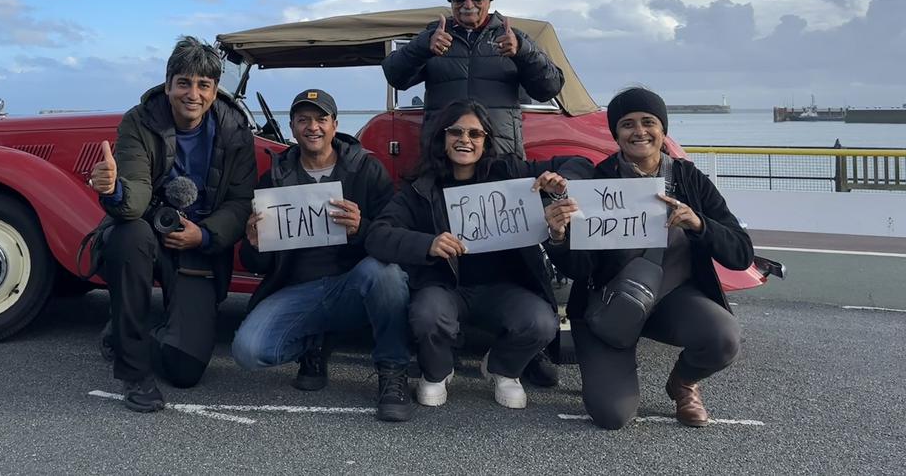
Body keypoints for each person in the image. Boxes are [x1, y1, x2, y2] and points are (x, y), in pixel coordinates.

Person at [543, 87, 754, 428]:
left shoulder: (689, 179)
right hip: (607, 304)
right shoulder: (598, 182)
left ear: (663, 130)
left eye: (648, 122)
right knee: (612, 416)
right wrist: (557, 237)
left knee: (723, 338)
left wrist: (700, 224)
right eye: (627, 124)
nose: (639, 131)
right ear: (615, 134)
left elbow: (741, 254)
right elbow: (580, 269)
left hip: (671, 299)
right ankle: (612, 367)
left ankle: (683, 383)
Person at [365, 100, 591, 409]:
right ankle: (439, 370)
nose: (465, 140)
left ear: (486, 141)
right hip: (444, 288)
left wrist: (561, 183)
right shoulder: (420, 188)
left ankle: (502, 368)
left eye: (475, 134)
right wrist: (427, 243)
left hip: (503, 288)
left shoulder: (511, 172)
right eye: (455, 131)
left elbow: (581, 163)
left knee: (541, 322)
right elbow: (378, 235)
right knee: (427, 314)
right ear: (441, 138)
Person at [90, 36, 256, 413]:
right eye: (183, 83)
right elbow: (132, 203)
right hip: (146, 230)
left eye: (203, 85)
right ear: (168, 86)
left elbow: (240, 200)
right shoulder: (139, 120)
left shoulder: (235, 131)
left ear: (215, 92)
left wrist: (206, 234)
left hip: (198, 243)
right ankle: (134, 372)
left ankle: (124, 330)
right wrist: (113, 188)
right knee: (128, 235)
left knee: (185, 370)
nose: (192, 93)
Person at [231, 89, 413, 422]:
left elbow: (395, 234)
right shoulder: (275, 177)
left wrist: (362, 226)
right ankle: (312, 341)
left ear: (335, 125)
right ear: (293, 127)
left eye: (321, 119)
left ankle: (392, 371)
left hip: (353, 284)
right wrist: (253, 242)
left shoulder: (366, 169)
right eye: (303, 120)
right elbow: (257, 265)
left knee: (386, 275)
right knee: (248, 350)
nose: (312, 127)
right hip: (298, 289)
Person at [381, 0, 565, 160]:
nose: (468, 5)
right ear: (451, 0)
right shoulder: (434, 37)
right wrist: (423, 46)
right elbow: (395, 76)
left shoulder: (513, 37)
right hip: (444, 158)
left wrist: (523, 52)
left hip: (500, 157)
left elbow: (550, 88)